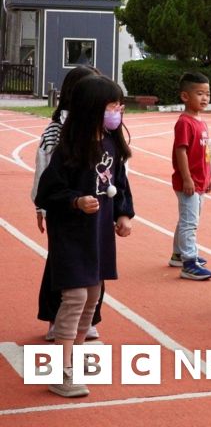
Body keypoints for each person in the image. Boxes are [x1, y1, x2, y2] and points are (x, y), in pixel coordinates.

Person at [35, 75, 134, 397]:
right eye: (112, 105)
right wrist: (76, 201)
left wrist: (122, 214)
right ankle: (61, 371)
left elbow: (119, 184)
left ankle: (73, 357)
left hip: (98, 234)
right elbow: (47, 192)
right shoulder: (70, 148)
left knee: (93, 297)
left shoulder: (112, 144)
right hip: (71, 234)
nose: (118, 111)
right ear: (92, 108)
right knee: (76, 297)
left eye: (119, 105)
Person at [31, 65, 102, 342]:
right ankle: (55, 318)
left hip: (93, 209)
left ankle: (88, 319)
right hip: (64, 209)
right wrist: (41, 206)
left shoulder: (100, 131)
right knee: (61, 266)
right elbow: (44, 169)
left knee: (95, 265)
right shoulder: (57, 130)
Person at [170, 72, 211, 280]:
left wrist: (208, 177)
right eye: (200, 93)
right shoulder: (185, 123)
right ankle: (189, 262)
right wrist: (187, 178)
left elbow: (205, 153)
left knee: (187, 219)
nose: (205, 98)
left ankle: (178, 254)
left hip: (200, 180)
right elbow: (181, 151)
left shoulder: (200, 121)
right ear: (185, 96)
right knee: (190, 222)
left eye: (207, 94)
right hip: (189, 182)